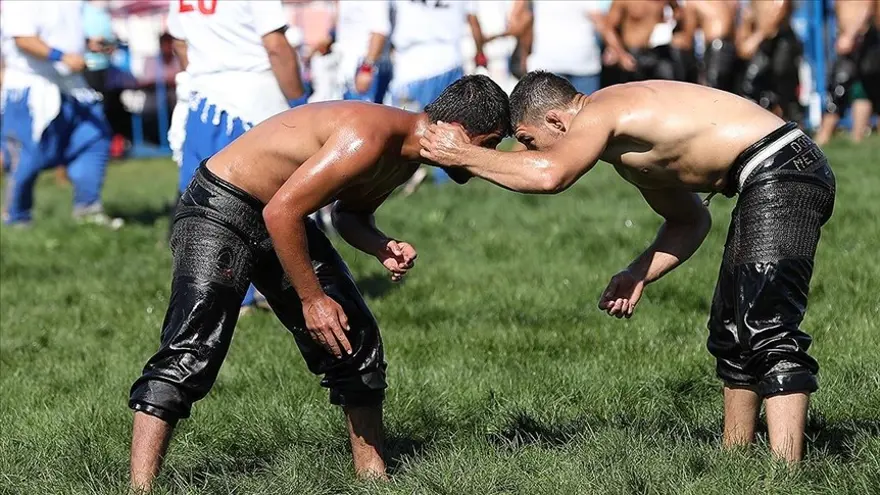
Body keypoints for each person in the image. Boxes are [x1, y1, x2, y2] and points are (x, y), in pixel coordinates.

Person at [420, 71, 835, 464]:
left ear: (557, 121)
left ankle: (785, 472)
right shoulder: (631, 154)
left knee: (766, 325)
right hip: (767, 174)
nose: (530, 153)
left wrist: (462, 153)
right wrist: (639, 272)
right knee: (730, 329)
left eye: (529, 141)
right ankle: (737, 459)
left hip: (783, 166)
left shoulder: (601, 108)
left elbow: (550, 175)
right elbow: (690, 222)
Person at [127, 75, 510, 492]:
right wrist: (312, 300)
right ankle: (140, 488)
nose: (486, 158)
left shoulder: (405, 155)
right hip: (220, 206)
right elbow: (282, 213)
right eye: (488, 144)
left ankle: (373, 479)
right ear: (456, 131)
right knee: (193, 349)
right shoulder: (369, 137)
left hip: (275, 212)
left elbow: (348, 214)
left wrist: (381, 246)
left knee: (355, 338)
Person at [167, 0, 308, 311]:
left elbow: (180, 44)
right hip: (254, 103)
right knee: (274, 205)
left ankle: (220, 297)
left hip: (203, 104)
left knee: (207, 210)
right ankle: (279, 290)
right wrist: (301, 102)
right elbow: (276, 46)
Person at [1, 0, 113, 226]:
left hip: (71, 85)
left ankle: (88, 207)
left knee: (93, 139)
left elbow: (59, 33)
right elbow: (23, 39)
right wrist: (61, 56)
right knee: (26, 158)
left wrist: (87, 43)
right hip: (31, 86)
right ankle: (16, 217)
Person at [390, 0, 487, 191]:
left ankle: (403, 178)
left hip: (411, 66)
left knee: (403, 131)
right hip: (449, 61)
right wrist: (480, 54)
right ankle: (448, 181)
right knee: (452, 126)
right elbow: (473, 20)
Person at [814, 0, 879, 146]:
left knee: (840, 88)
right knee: (862, 90)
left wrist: (851, 34)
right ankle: (856, 138)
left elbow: (866, 6)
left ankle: (824, 136)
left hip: (859, 38)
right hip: (855, 37)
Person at [736, 0, 803, 123]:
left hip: (780, 43)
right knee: (751, 88)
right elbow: (747, 22)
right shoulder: (751, 6)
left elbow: (777, 15)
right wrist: (748, 40)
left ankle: (793, 125)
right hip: (762, 44)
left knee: (784, 91)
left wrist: (756, 38)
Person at [601, 0, 688, 83]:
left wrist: (672, 27)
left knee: (666, 87)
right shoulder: (624, 1)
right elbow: (608, 29)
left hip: (660, 53)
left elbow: (679, 12)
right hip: (633, 55)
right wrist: (621, 55)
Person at [333, 0, 393, 103]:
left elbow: (380, 32)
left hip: (366, 71)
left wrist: (366, 69)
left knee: (367, 112)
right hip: (348, 74)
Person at [688, 0, 739, 91]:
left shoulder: (694, 2)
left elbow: (688, 35)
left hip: (718, 50)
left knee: (713, 89)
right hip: (728, 47)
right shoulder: (731, 2)